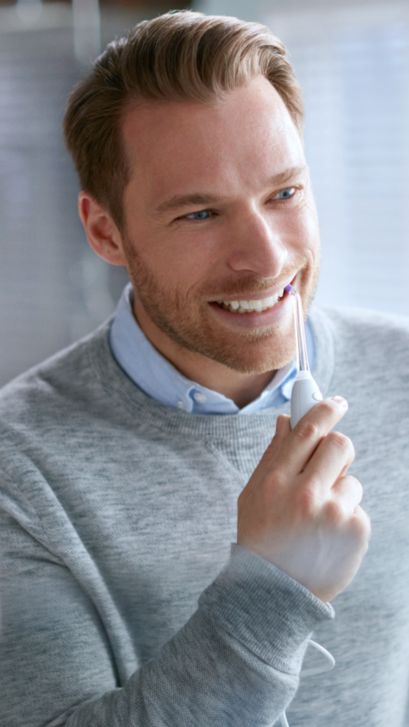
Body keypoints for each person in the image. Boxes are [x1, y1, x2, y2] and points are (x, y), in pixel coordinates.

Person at [0, 8, 407, 727]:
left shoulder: (400, 371)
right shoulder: (19, 471)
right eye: (199, 215)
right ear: (105, 230)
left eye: (283, 193)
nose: (267, 257)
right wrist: (271, 590)